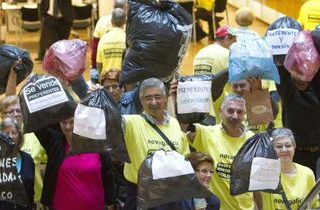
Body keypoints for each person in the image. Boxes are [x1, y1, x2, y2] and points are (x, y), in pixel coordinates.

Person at [122, 78, 190, 210]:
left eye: (158, 97)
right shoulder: (130, 122)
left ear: (165, 98)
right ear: (141, 101)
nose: (154, 102)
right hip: (140, 196)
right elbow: (107, 120)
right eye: (148, 98)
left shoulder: (175, 124)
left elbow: (185, 159)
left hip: (170, 197)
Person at [184, 93, 256, 210]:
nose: (235, 116)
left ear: (245, 115)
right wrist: (174, 96)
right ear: (220, 111)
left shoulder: (253, 140)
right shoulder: (206, 133)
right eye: (230, 111)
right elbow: (182, 126)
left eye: (239, 112)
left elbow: (256, 182)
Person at [34, 115, 115, 210]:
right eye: (64, 122)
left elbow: (108, 175)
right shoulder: (54, 142)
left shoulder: (97, 142)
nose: (68, 126)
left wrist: (111, 203)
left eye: (72, 122)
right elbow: (35, 122)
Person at [0, 95, 47, 208]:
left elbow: (44, 165)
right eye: (10, 111)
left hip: (33, 202)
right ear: (1, 115)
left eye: (18, 110)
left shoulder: (37, 134)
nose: (15, 114)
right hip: (4, 204)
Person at [275, 64, 320, 177]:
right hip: (297, 154)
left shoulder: (316, 91)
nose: (301, 77)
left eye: (305, 73)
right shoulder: (288, 93)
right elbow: (281, 70)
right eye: (297, 73)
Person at [261, 128, 319, 209]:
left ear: (294, 147)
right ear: (272, 150)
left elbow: (314, 205)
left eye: (288, 145)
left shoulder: (307, 173)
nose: (284, 150)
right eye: (279, 146)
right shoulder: (264, 175)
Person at [0, 117, 35, 210]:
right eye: (6, 133)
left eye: (14, 133)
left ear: (19, 135)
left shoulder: (27, 159)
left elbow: (30, 192)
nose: (10, 136)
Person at [91, 0, 127, 78]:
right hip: (123, 76)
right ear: (124, 21)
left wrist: (95, 69)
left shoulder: (103, 36)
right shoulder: (127, 36)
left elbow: (95, 49)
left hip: (106, 77)